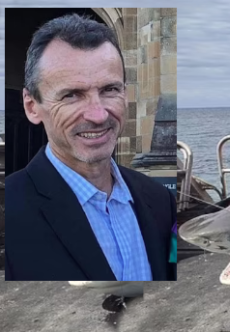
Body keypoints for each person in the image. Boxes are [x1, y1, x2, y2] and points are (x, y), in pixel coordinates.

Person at [4, 13, 177, 281]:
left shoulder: (159, 200)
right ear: (31, 106)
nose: (98, 115)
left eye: (109, 90)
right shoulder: (11, 210)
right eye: (71, 95)